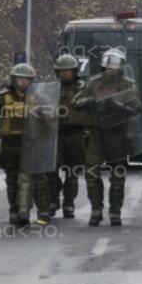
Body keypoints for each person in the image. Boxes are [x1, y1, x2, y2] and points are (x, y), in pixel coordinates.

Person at [72, 48, 142, 227]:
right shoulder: (92, 84)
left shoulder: (128, 85)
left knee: (118, 176)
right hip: (95, 135)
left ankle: (115, 211)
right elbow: (75, 103)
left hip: (118, 135)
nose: (111, 68)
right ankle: (96, 209)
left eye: (115, 64)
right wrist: (91, 102)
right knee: (91, 174)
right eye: (108, 64)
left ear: (121, 66)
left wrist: (117, 105)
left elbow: (136, 108)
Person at [0, 63, 51, 226]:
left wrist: (48, 136)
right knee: (12, 179)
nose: (23, 82)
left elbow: (49, 119)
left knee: (38, 178)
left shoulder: (38, 98)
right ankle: (14, 210)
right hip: (10, 144)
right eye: (20, 78)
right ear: (14, 79)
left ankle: (43, 211)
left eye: (27, 79)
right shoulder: (4, 97)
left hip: (31, 143)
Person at [50, 54, 88, 218]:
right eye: (62, 71)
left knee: (72, 173)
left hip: (76, 135)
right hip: (55, 135)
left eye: (68, 71)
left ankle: (69, 203)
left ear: (74, 71)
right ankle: (52, 200)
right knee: (51, 171)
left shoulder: (83, 89)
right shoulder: (51, 88)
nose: (65, 74)